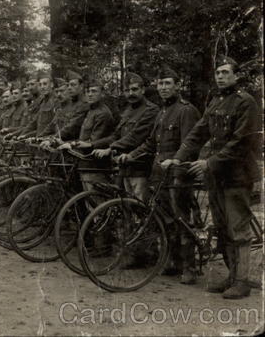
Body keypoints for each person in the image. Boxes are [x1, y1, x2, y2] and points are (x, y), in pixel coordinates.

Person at [164, 56, 260, 298]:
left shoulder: (245, 102)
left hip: (237, 175)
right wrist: (179, 156)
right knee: (222, 227)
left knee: (239, 230)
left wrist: (209, 162)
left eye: (226, 72)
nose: (220, 76)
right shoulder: (216, 101)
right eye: (218, 72)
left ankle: (243, 281)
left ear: (236, 76)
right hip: (216, 176)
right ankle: (232, 276)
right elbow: (199, 131)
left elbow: (240, 142)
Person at [119, 66, 201, 284]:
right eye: (160, 84)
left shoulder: (186, 110)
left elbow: (190, 145)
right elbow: (150, 143)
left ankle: (189, 267)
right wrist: (131, 155)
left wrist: (176, 165)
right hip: (158, 173)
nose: (163, 88)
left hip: (178, 174)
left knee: (181, 219)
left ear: (178, 85)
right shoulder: (162, 112)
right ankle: (171, 261)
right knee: (163, 219)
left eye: (168, 83)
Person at [91, 72, 159, 201]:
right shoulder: (128, 110)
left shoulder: (151, 110)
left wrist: (110, 149)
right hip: (125, 166)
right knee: (128, 205)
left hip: (141, 166)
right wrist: (101, 146)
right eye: (127, 90)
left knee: (141, 205)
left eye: (134, 89)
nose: (130, 94)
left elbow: (136, 136)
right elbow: (117, 134)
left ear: (143, 90)